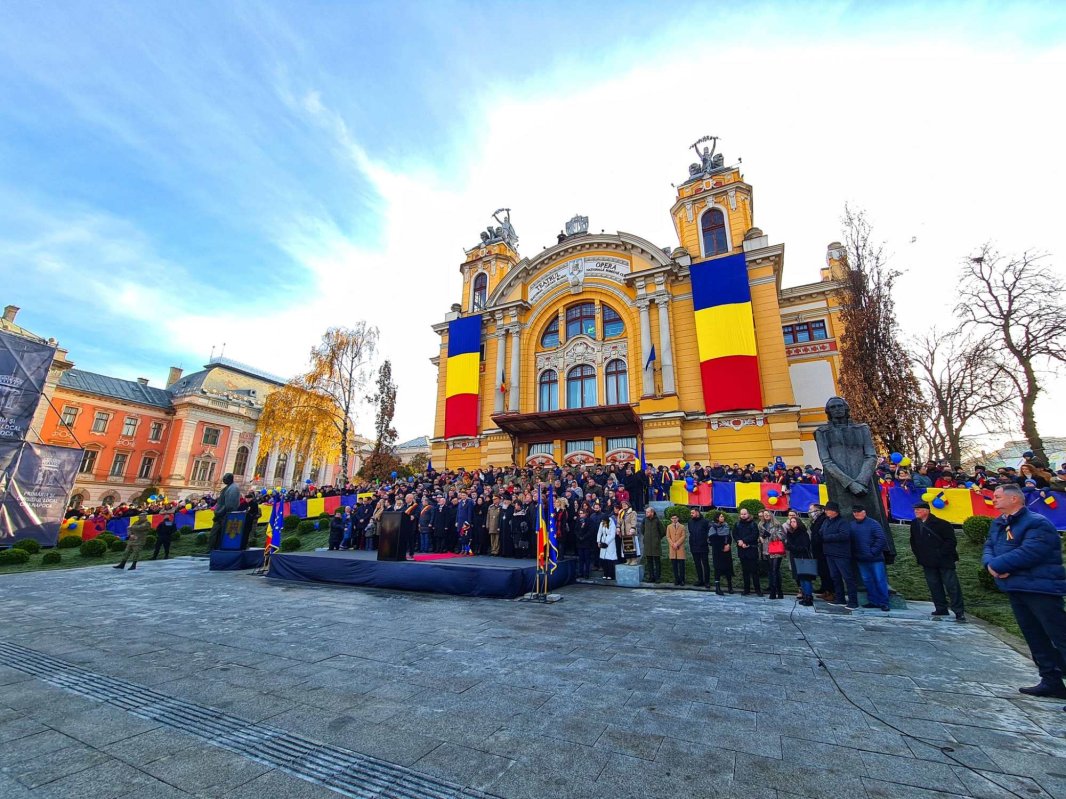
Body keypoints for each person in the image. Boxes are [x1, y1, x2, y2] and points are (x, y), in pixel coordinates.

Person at [983, 483, 1066, 702]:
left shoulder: (1037, 522)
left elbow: (1031, 551)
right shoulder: (999, 523)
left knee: (1059, 636)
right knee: (1034, 636)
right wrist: (990, 565)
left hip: (1040, 588)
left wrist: (998, 565)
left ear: (1014, 499)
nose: (994, 499)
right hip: (1016, 586)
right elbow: (989, 546)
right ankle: (1051, 680)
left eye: (998, 496)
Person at [909, 500, 966, 622]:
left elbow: (951, 541)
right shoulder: (914, 524)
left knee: (952, 586)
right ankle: (941, 608)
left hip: (944, 561)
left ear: (926, 511)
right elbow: (913, 541)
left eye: (918, 510)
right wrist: (919, 555)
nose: (916, 512)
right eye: (915, 510)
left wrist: (940, 553)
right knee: (934, 585)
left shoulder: (942, 524)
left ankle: (959, 611)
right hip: (927, 561)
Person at [850, 505, 889, 611]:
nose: (856, 514)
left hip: (875, 559)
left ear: (864, 512)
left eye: (859, 512)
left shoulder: (873, 523)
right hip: (861, 558)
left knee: (880, 580)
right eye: (855, 512)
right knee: (867, 580)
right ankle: (873, 601)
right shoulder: (852, 525)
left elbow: (881, 539)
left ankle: (884, 603)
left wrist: (872, 552)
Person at [820, 501, 858, 608]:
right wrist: (822, 535)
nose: (826, 511)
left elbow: (844, 535)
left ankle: (853, 601)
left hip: (841, 554)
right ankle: (840, 598)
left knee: (847, 577)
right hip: (829, 553)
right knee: (835, 577)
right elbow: (821, 531)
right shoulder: (826, 521)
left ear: (834, 511)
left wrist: (827, 537)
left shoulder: (843, 522)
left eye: (828, 510)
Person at [784, 515, 815, 605]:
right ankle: (805, 595)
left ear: (798, 523)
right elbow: (788, 545)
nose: (792, 523)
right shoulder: (790, 533)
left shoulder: (803, 533)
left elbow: (805, 546)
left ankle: (808, 597)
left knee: (806, 578)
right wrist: (790, 547)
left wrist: (793, 547)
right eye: (791, 522)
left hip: (803, 557)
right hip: (794, 557)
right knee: (800, 578)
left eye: (794, 521)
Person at [732, 507, 762, 596]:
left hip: (751, 550)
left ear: (748, 514)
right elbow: (734, 534)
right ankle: (746, 589)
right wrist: (739, 541)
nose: (743, 515)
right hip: (742, 550)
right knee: (745, 571)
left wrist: (744, 541)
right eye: (742, 514)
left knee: (754, 571)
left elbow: (755, 535)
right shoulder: (737, 524)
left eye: (745, 514)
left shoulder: (753, 524)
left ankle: (758, 590)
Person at [208, 473, 241, 550]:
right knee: (215, 534)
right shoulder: (228, 487)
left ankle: (216, 549)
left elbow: (230, 505)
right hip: (220, 515)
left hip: (224, 516)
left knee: (218, 534)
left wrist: (220, 513)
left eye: (225, 478)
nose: (223, 480)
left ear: (230, 479)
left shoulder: (233, 488)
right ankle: (212, 549)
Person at [759, 510, 787, 600]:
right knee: (771, 571)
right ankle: (778, 591)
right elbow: (760, 536)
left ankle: (775, 591)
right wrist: (761, 538)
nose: (766, 515)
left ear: (771, 515)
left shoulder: (777, 524)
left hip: (776, 550)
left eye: (768, 514)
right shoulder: (761, 525)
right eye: (764, 514)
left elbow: (782, 536)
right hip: (766, 549)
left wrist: (770, 535)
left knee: (775, 570)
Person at [708, 512, 734, 595]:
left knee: (728, 568)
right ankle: (717, 588)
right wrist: (723, 546)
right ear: (717, 518)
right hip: (718, 551)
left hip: (727, 551)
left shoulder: (726, 526)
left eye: (723, 516)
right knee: (718, 569)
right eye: (721, 516)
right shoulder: (713, 527)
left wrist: (728, 544)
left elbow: (729, 537)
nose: (723, 518)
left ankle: (730, 587)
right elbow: (713, 540)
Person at [687, 507, 711, 589]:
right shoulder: (690, 522)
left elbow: (709, 532)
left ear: (697, 512)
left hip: (703, 546)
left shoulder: (705, 522)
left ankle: (707, 582)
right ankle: (700, 580)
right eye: (691, 513)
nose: (691, 514)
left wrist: (706, 540)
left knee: (705, 564)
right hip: (694, 546)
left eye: (692, 513)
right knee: (697, 564)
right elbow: (690, 532)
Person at [641, 506, 664, 584]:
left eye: (648, 512)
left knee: (657, 562)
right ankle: (651, 577)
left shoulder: (657, 520)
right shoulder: (644, 520)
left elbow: (662, 531)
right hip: (647, 544)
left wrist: (657, 538)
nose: (646, 513)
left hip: (655, 544)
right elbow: (642, 530)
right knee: (649, 562)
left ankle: (658, 578)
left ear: (652, 512)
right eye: (646, 512)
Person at [666, 513, 687, 586]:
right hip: (672, 548)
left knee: (681, 566)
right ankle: (676, 579)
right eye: (672, 518)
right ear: (671, 519)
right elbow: (668, 537)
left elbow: (683, 536)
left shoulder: (682, 526)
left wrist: (677, 544)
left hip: (680, 548)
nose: (674, 519)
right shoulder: (669, 527)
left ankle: (682, 580)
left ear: (678, 518)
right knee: (674, 566)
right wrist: (672, 544)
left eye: (675, 518)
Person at [597, 514, 619, 580]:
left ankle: (610, 575)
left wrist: (606, 543)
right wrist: (598, 541)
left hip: (610, 543)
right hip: (603, 541)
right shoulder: (602, 523)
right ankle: (605, 573)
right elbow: (599, 532)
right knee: (604, 559)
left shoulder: (612, 524)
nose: (603, 521)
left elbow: (612, 535)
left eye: (604, 520)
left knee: (610, 559)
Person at [575, 508, 596, 579]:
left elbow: (591, 531)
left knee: (587, 559)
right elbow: (575, 530)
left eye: (581, 513)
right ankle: (580, 572)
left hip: (587, 542)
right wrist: (579, 536)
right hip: (580, 542)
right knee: (581, 558)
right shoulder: (578, 520)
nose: (580, 515)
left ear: (585, 514)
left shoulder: (589, 521)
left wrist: (584, 537)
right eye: (579, 513)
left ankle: (587, 573)